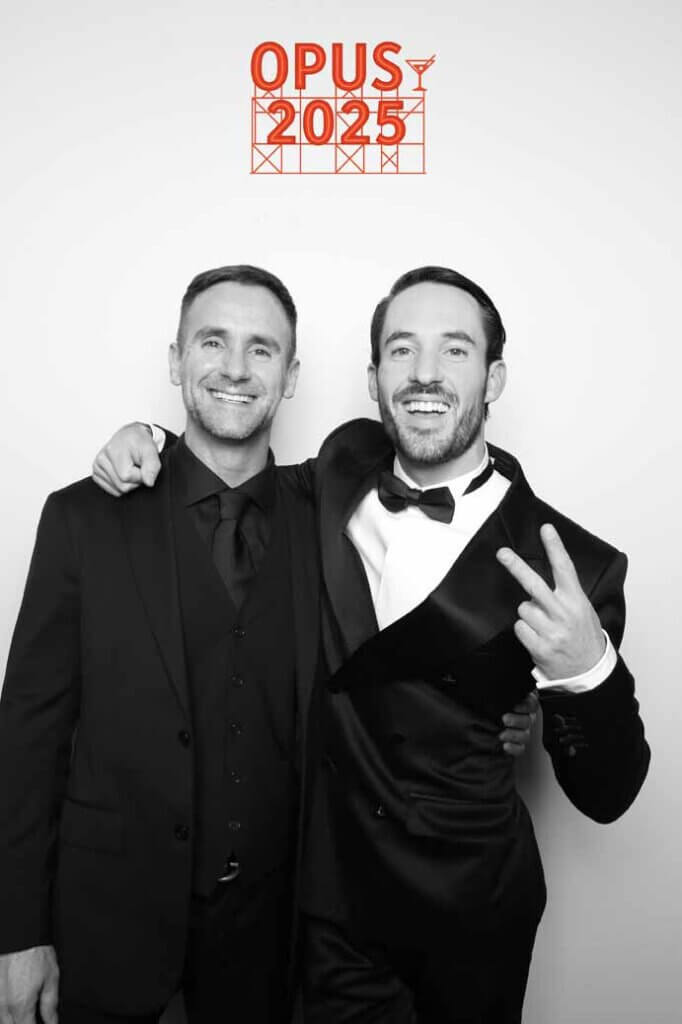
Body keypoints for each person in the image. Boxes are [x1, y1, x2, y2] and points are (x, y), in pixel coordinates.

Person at [94, 265, 649, 1023]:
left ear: (494, 378)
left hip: (474, 917)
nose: (424, 373)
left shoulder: (575, 565)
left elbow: (610, 794)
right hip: (334, 914)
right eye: (401, 350)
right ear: (373, 376)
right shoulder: (337, 471)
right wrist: (151, 439)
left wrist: (585, 672)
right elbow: (232, 472)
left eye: (454, 351)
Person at [0, 264, 533, 1024]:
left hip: (271, 943)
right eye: (212, 342)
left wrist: (507, 700)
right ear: (176, 360)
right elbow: (28, 737)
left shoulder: (332, 511)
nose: (235, 368)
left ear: (291, 377)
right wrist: (19, 933)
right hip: (107, 925)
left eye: (262, 349)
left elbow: (462, 477)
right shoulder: (83, 519)